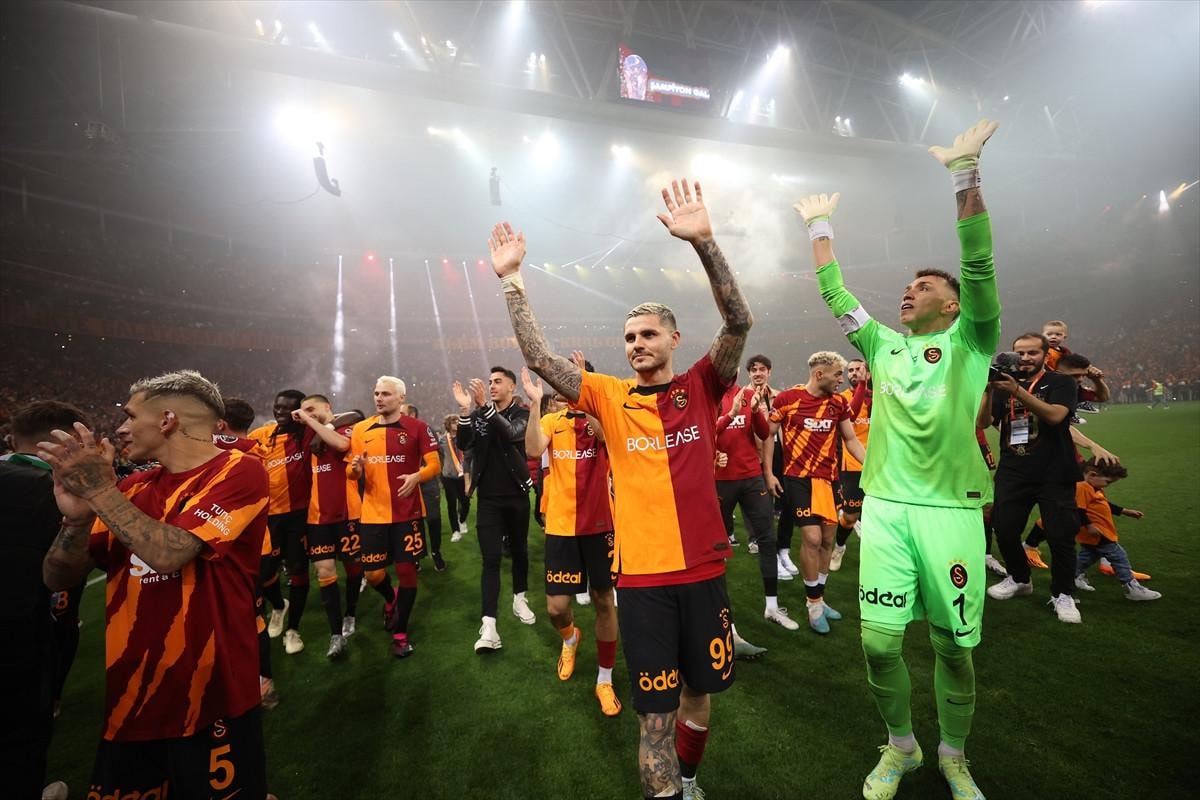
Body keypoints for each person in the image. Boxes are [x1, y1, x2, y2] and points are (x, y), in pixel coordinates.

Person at [490, 175, 752, 800]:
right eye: (629, 337)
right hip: (641, 580)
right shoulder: (608, 396)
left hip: (703, 571)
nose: (636, 344)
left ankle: (689, 782)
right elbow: (540, 358)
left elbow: (740, 319)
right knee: (654, 714)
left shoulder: (702, 385)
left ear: (674, 339)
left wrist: (704, 242)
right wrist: (512, 280)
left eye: (648, 334)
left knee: (699, 695)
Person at [800, 119, 1001, 799]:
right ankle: (902, 748)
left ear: (952, 303)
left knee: (954, 648)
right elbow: (835, 296)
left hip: (951, 513)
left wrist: (965, 174)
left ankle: (953, 755)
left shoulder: (973, 340)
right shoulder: (882, 345)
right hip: (884, 509)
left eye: (923, 286)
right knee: (879, 643)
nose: (908, 291)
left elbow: (979, 264)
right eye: (907, 286)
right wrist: (819, 227)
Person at [39, 370, 270, 799]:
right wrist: (78, 518)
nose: (120, 428)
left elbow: (169, 553)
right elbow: (57, 577)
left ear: (167, 420)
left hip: (211, 694)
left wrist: (99, 491)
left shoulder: (240, 471)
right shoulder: (130, 487)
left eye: (130, 416)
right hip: (130, 696)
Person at [521, 365, 623, 717]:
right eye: (562, 384)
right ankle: (570, 638)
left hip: (601, 525)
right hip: (562, 527)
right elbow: (533, 449)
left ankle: (604, 679)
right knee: (556, 608)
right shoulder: (553, 421)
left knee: (604, 600)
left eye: (574, 382)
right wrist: (535, 404)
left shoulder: (603, 419)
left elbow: (608, 438)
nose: (566, 389)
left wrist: (588, 402)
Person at [2, 400, 90, 800]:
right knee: (20, 745)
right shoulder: (54, 491)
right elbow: (65, 580)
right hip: (19, 642)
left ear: (10, 440)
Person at [985, 332, 1085, 624]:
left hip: (1055, 471)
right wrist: (988, 390)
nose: (1025, 358)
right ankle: (1020, 578)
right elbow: (983, 422)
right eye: (1020, 353)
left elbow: (1055, 416)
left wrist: (1017, 391)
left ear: (1045, 355)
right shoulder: (1004, 384)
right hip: (1014, 469)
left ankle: (1063, 593)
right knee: (1005, 530)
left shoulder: (1060, 382)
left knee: (1060, 536)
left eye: (1032, 353)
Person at [763, 352, 867, 634]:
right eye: (837, 374)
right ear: (819, 374)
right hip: (798, 480)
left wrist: (871, 465)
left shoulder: (838, 403)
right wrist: (769, 473)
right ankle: (813, 606)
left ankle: (819, 597)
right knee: (812, 538)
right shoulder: (788, 399)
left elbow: (850, 439)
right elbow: (768, 436)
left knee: (828, 539)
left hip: (829, 480)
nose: (841, 379)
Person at [347, 376, 440, 658]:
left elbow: (434, 464)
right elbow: (351, 472)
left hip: (407, 513)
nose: (379, 398)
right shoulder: (361, 429)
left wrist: (418, 476)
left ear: (401, 398)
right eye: (376, 393)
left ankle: (400, 633)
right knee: (373, 574)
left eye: (386, 394)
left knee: (406, 572)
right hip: (372, 514)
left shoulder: (418, 428)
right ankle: (391, 599)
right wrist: (356, 470)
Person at [454, 367, 536, 653]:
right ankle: (489, 626)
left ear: (512, 387)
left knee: (520, 550)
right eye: (489, 382)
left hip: (516, 495)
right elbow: (464, 444)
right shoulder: (479, 414)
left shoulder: (522, 413)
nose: (492, 385)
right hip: (488, 499)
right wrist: (465, 412)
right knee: (490, 559)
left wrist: (484, 408)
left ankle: (519, 598)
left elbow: (512, 434)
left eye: (498, 381)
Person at [715, 371, 790, 630]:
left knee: (767, 538)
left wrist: (756, 411)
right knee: (715, 546)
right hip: (720, 479)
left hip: (751, 477)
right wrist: (732, 413)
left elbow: (764, 432)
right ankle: (720, 615)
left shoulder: (747, 394)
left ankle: (772, 606)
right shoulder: (708, 397)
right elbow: (705, 431)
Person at [295, 394, 364, 658]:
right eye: (304, 411)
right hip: (318, 518)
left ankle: (351, 612)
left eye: (311, 409)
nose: (307, 414)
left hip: (348, 514)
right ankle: (336, 634)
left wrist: (315, 423)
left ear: (328, 407)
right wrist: (308, 424)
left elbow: (343, 442)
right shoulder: (306, 435)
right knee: (324, 572)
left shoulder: (344, 429)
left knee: (353, 566)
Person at [247, 389, 313, 648]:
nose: (280, 411)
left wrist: (309, 419)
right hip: (270, 517)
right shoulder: (261, 436)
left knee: (298, 572)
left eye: (287, 408)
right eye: (278, 406)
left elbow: (353, 416)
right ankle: (278, 606)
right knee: (264, 573)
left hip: (300, 515)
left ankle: (293, 630)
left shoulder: (307, 434)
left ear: (298, 411)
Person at [1071, 459, 1160, 600]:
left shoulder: (1094, 487)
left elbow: (1105, 504)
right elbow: (1078, 510)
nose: (1108, 485)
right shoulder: (1082, 487)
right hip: (1098, 532)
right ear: (1092, 475)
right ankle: (1132, 589)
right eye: (1108, 482)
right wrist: (1090, 526)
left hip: (1097, 533)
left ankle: (1071, 577)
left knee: (1088, 556)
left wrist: (1125, 511)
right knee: (1119, 557)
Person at [831, 358, 871, 571]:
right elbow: (852, 415)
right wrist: (862, 384)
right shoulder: (843, 398)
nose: (854, 373)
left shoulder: (880, 398)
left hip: (879, 467)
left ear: (869, 373)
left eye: (859, 370)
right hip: (853, 466)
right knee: (849, 516)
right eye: (851, 370)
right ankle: (839, 547)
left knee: (878, 516)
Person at [406, 405, 447, 570]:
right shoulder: (397, 432)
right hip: (408, 485)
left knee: (433, 520)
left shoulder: (425, 429)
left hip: (427, 484)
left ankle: (436, 552)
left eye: (402, 413)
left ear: (412, 414)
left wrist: (427, 471)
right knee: (413, 522)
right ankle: (416, 555)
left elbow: (439, 455)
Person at [440, 415, 471, 542]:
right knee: (451, 504)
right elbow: (439, 457)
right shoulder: (442, 440)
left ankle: (462, 520)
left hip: (463, 475)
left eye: (458, 422)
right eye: (454, 422)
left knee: (465, 502)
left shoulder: (463, 438)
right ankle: (455, 531)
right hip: (448, 476)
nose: (456, 424)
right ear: (448, 424)